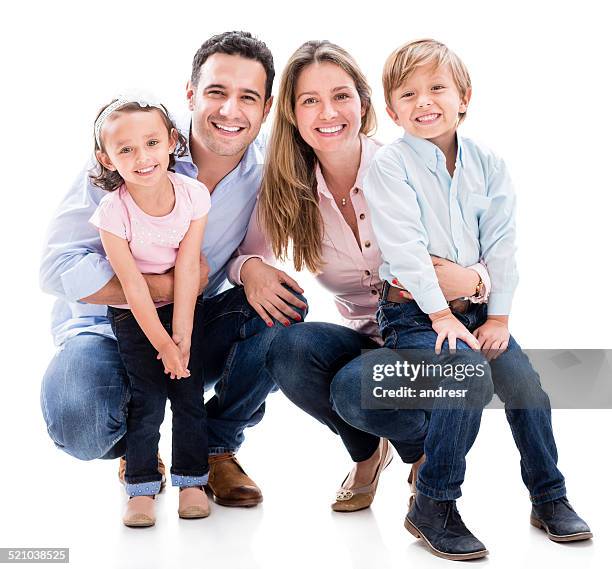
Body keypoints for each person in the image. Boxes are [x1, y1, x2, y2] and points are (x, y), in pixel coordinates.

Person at [40, 31, 307, 509]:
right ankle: (135, 446)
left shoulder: (266, 171)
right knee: (79, 421)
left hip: (190, 323)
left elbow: (239, 253)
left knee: (285, 309)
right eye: (216, 92)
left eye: (247, 97)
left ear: (266, 108)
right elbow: (55, 267)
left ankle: (215, 444)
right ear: (190, 94)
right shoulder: (134, 148)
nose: (230, 111)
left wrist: (251, 268)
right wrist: (164, 285)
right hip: (106, 328)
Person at [362, 38, 592, 559]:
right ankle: (432, 502)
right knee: (464, 376)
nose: (424, 102)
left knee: (525, 385)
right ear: (393, 108)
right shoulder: (390, 167)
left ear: (463, 96)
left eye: (437, 88)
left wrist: (500, 318)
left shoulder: (488, 163)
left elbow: (503, 244)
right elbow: (407, 249)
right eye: (408, 93)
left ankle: (548, 496)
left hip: (479, 313)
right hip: (413, 314)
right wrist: (441, 314)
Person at [252, 40, 490, 530]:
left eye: (341, 95)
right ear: (293, 116)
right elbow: (245, 247)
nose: (328, 112)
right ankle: (367, 453)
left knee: (356, 391)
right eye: (310, 100)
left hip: (431, 339)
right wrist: (247, 268)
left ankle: (422, 455)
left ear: (364, 103)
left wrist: (473, 281)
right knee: (287, 348)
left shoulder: (408, 167)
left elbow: (489, 247)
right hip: (367, 336)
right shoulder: (288, 190)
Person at [89, 95, 211, 526]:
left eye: (152, 143)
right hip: (133, 312)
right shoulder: (112, 212)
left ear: (172, 142)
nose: (143, 158)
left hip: (182, 305)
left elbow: (189, 269)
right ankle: (140, 487)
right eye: (126, 150)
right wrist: (161, 344)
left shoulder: (193, 195)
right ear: (107, 158)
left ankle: (192, 480)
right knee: (149, 399)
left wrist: (182, 339)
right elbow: (134, 288)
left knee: (189, 396)